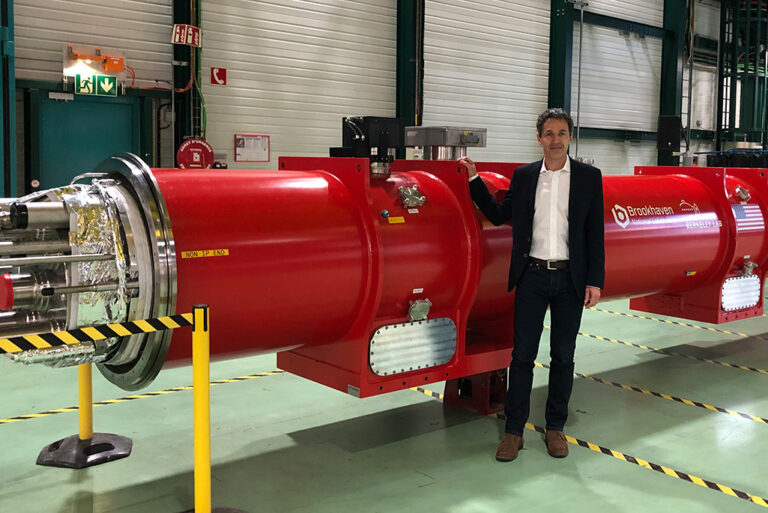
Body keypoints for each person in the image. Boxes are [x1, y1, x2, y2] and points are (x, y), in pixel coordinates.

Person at [459, 108, 605, 462]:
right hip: (532, 277)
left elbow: (594, 234)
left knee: (563, 357)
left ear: (570, 138)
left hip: (570, 278)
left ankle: (556, 428)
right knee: (522, 356)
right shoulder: (524, 177)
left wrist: (594, 281)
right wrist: (474, 180)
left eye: (562, 133)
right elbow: (497, 214)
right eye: (549, 133)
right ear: (539, 138)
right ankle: (513, 432)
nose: (556, 140)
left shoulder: (588, 177)